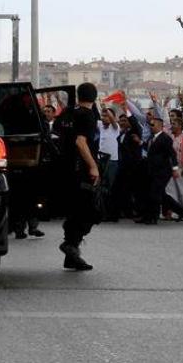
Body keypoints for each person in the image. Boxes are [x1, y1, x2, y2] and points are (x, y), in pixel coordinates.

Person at [59, 82, 100, 271]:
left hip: (66, 169)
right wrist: (93, 167)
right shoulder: (87, 116)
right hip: (81, 169)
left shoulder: (68, 114)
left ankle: (72, 254)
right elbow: (81, 142)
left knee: (75, 209)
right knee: (90, 211)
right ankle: (71, 244)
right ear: (94, 97)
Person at [138, 117, 183, 224]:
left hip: (163, 171)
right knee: (158, 194)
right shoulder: (151, 138)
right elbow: (150, 149)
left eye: (153, 125)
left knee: (155, 194)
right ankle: (180, 210)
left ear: (159, 126)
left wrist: (175, 168)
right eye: (150, 125)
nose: (151, 127)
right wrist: (140, 142)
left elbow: (172, 154)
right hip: (151, 170)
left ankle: (153, 217)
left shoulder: (165, 138)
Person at [98, 107, 121, 222]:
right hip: (101, 160)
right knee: (102, 188)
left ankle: (113, 214)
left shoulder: (114, 128)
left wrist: (106, 110)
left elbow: (113, 120)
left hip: (112, 161)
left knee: (110, 188)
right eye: (103, 116)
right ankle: (104, 212)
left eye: (106, 116)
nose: (104, 118)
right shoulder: (100, 126)